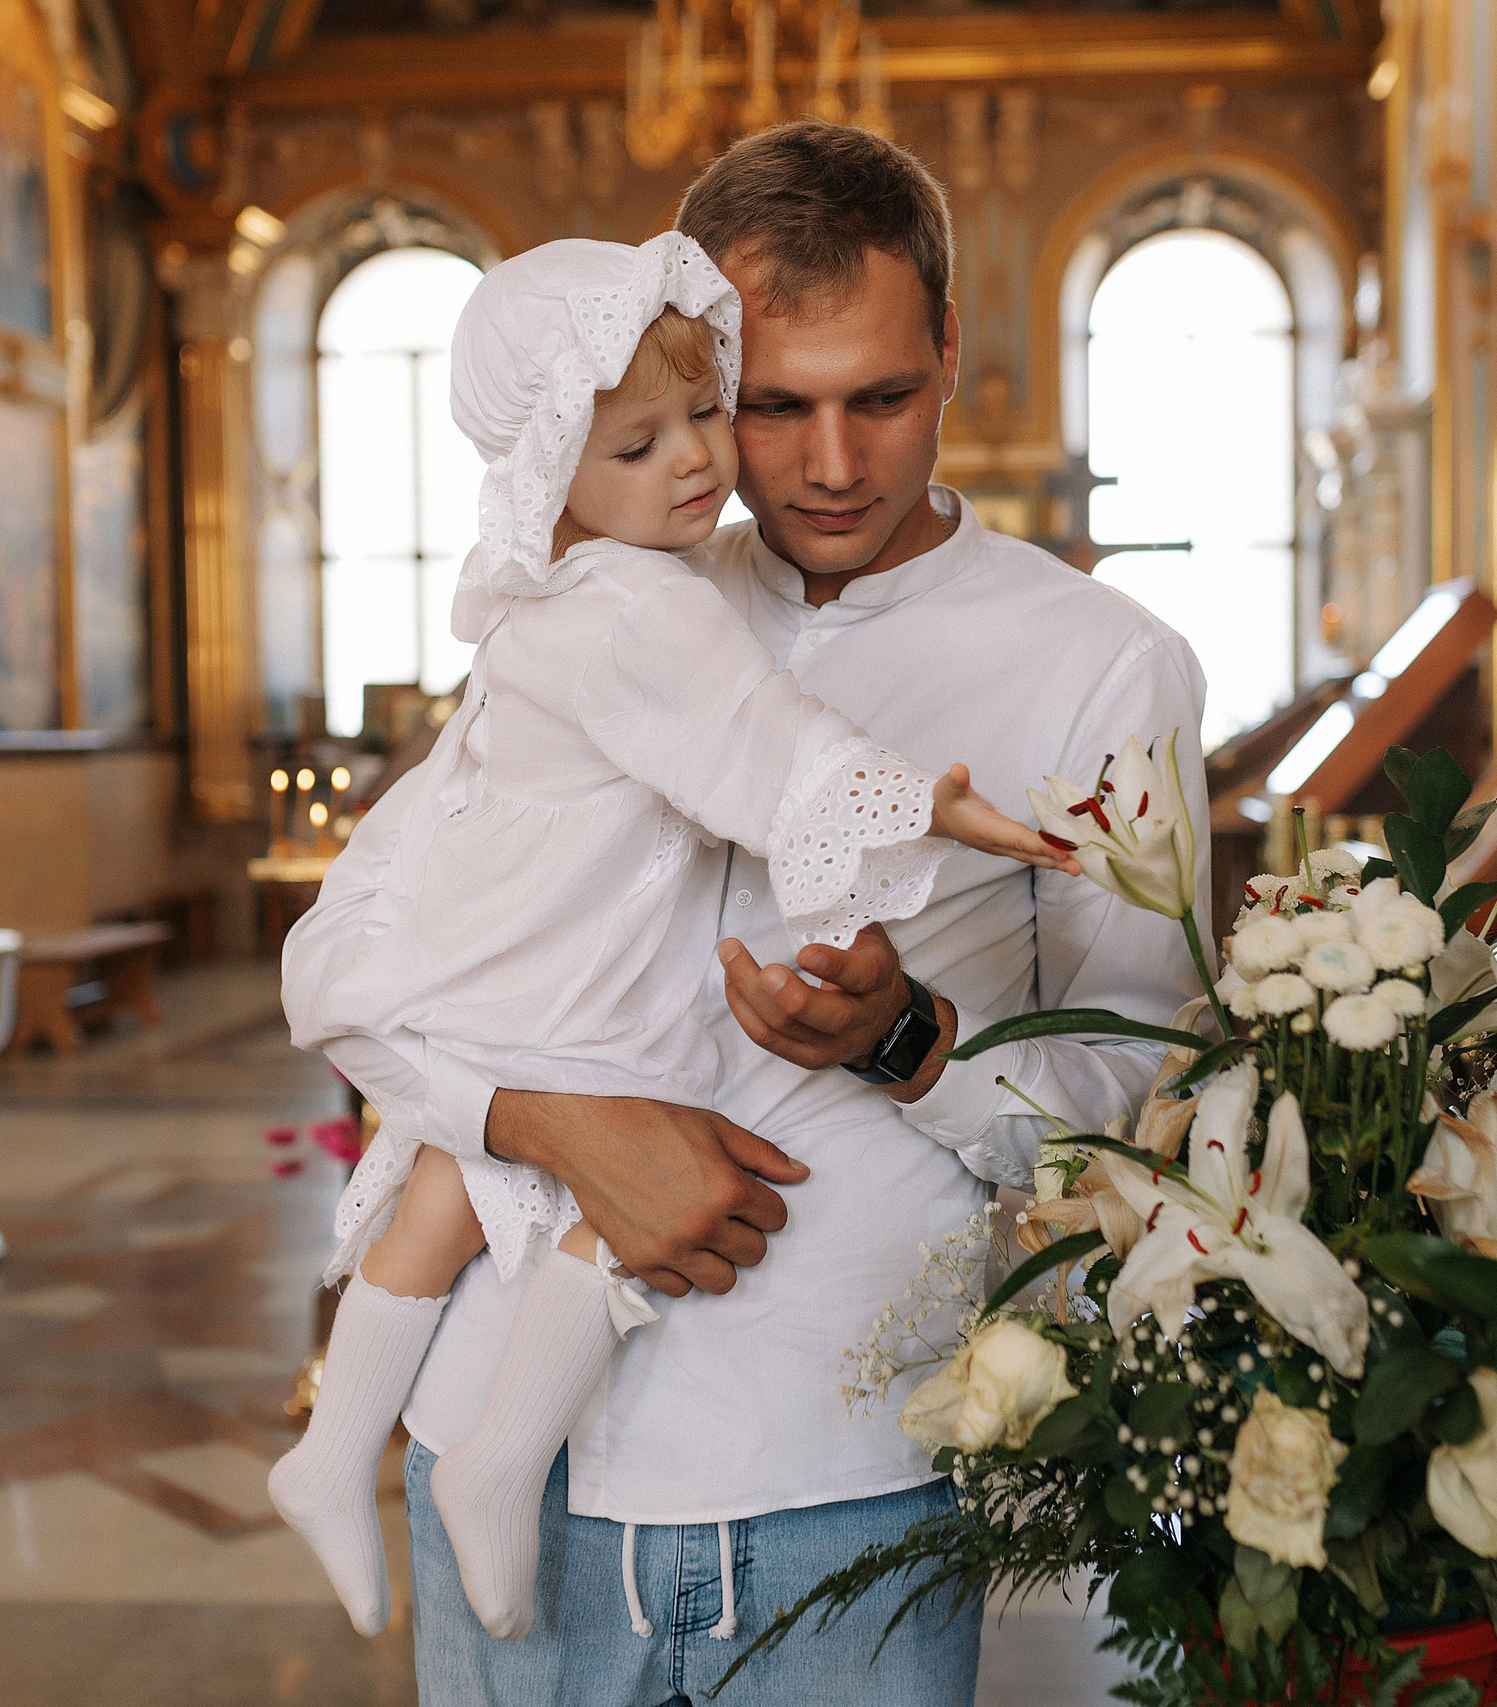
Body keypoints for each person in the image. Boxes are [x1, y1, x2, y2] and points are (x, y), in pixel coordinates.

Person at [283, 121, 1208, 1706]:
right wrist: (554, 1122)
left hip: (841, 1480)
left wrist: (911, 1040)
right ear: (698, 377)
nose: (830, 463)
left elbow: (1125, 1127)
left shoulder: (1108, 666)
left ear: (952, 350)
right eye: (771, 407)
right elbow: (353, 962)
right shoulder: (611, 596)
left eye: (883, 398)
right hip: (505, 1449)